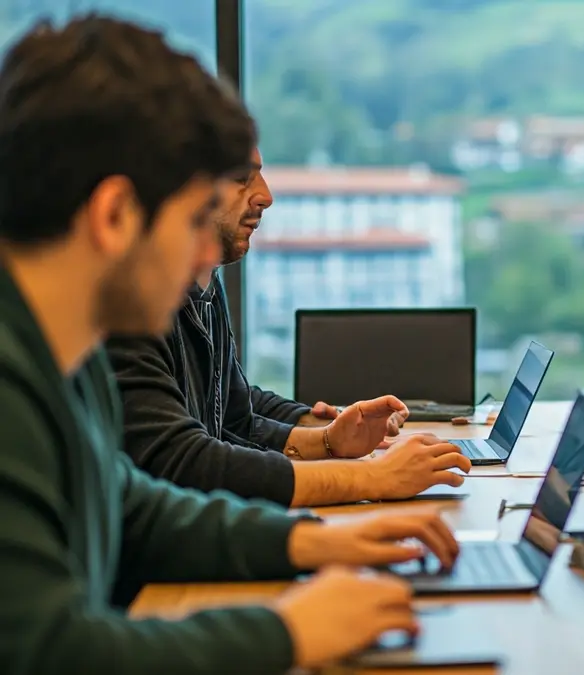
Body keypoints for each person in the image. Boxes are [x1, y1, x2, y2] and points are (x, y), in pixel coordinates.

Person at [0, 15, 470, 673]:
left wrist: (312, 541)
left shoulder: (64, 359)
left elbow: (131, 509)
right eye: (196, 219)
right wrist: (286, 632)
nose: (204, 256)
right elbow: (49, 652)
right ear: (114, 216)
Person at [105, 146, 470, 508]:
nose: (266, 196)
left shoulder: (205, 285)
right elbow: (183, 462)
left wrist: (327, 440)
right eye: (241, 177)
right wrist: (371, 477)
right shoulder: (128, 306)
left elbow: (233, 416)